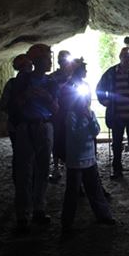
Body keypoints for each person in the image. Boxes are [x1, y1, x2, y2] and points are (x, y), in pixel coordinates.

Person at [11, 43, 60, 234]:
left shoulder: (51, 83)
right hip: (26, 127)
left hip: (45, 125)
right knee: (24, 172)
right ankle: (23, 214)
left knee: (42, 170)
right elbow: (14, 104)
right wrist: (27, 95)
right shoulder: (22, 80)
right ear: (38, 61)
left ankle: (39, 208)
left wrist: (47, 97)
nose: (49, 62)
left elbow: (56, 109)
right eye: (47, 58)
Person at [61, 70, 115, 236]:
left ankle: (103, 215)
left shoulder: (90, 114)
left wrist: (90, 119)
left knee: (95, 189)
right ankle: (67, 223)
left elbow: (96, 131)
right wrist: (87, 127)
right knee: (72, 192)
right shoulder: (71, 116)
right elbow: (76, 135)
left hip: (89, 158)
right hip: (76, 159)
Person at [96, 47, 129, 179]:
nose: (127, 59)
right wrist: (104, 101)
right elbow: (99, 88)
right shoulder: (111, 73)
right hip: (117, 114)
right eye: (125, 56)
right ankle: (117, 169)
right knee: (117, 143)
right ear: (120, 57)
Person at [0, 54, 33, 182]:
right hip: (23, 126)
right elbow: (4, 105)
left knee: (19, 156)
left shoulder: (11, 84)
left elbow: (3, 105)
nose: (29, 68)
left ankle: (21, 183)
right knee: (28, 156)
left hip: (16, 125)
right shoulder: (30, 83)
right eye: (28, 65)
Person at [49, 50, 74, 182]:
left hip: (71, 110)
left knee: (70, 137)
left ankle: (68, 163)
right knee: (57, 138)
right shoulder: (53, 77)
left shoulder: (74, 76)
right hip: (58, 113)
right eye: (63, 60)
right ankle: (56, 166)